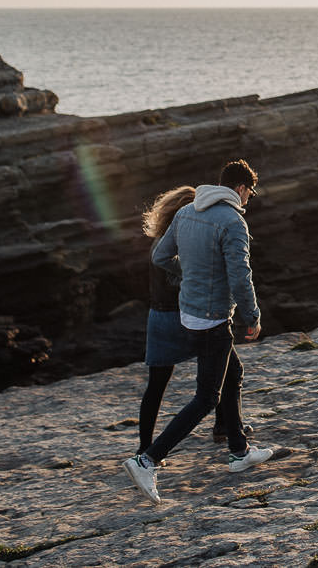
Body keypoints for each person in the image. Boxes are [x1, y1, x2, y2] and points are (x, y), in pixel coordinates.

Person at [123, 159, 274, 504]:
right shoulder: (232, 221)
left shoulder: (187, 212)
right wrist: (252, 315)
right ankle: (146, 461)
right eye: (249, 192)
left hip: (189, 314)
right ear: (240, 188)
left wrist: (189, 275)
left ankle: (239, 451)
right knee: (207, 398)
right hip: (212, 319)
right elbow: (240, 276)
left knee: (233, 372)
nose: (249, 199)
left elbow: (161, 256)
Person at [135, 186, 251, 457]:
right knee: (227, 371)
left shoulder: (160, 241)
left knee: (156, 385)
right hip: (188, 316)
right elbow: (187, 281)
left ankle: (144, 446)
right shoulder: (182, 242)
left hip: (159, 318)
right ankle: (224, 428)